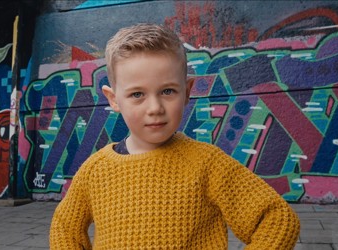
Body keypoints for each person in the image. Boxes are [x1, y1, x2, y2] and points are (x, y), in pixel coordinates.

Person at [50, 23, 300, 249]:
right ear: (113, 99)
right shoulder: (95, 170)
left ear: (187, 91)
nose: (155, 108)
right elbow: (65, 227)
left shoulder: (207, 164)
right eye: (137, 94)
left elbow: (277, 219)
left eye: (167, 91)